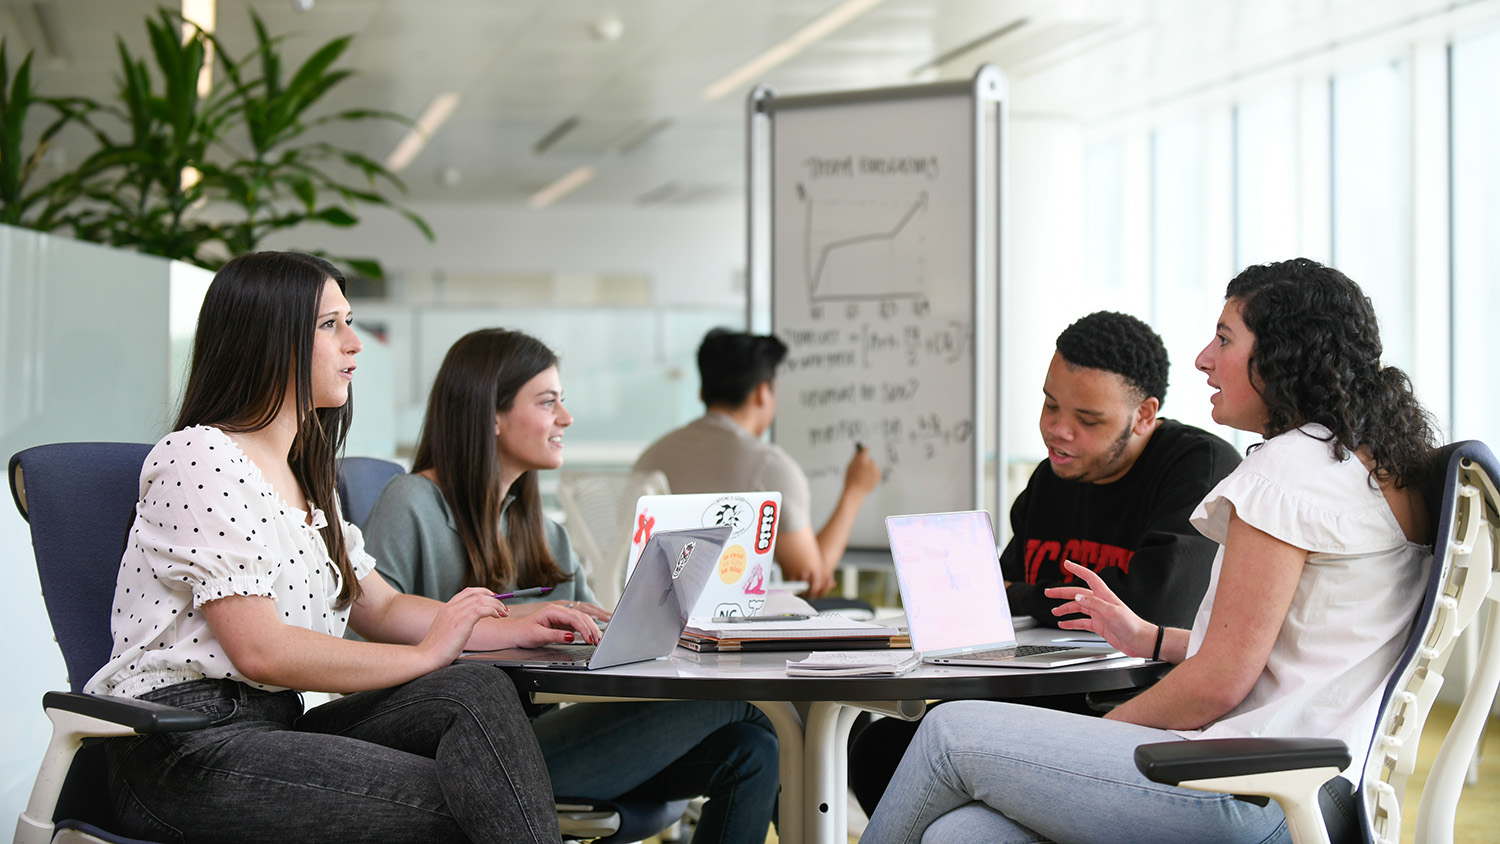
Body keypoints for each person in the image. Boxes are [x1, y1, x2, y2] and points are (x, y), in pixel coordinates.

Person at [861, 257, 1437, 844]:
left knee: (947, 732)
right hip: (1318, 794)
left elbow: (1220, 682)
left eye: (1224, 339)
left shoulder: (1289, 469)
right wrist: (1152, 639)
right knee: (963, 835)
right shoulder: (1364, 465)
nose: (1203, 359)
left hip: (1251, 792)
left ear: (1284, 354)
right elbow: (1298, 649)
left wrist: (1094, 740)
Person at [87, 252, 600, 842]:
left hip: (273, 728)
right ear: (267, 337)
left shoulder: (309, 477)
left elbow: (379, 607)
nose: (355, 343)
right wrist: (423, 656)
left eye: (348, 320)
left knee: (477, 688)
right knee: (477, 798)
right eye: (331, 325)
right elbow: (260, 650)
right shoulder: (200, 456)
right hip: (181, 746)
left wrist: (514, 625)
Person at [363, 328, 780, 844]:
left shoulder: (541, 532)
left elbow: (601, 643)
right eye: (547, 402)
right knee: (742, 703)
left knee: (754, 750)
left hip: (536, 740)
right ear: (489, 414)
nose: (567, 418)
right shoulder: (411, 504)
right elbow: (369, 648)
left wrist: (668, 625)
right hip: (464, 754)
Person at [847, 310, 1241, 815]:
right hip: (1033, 696)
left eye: (1088, 420)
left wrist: (1026, 595)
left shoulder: (1196, 465)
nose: (1058, 430)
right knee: (880, 749)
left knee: (912, 750)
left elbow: (1156, 605)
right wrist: (1033, 596)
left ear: (1144, 415)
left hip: (1123, 711)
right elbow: (995, 594)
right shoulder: (1053, 476)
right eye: (1050, 404)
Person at [633, 328, 881, 599]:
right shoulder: (771, 468)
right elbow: (812, 578)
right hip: (732, 627)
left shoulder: (652, 456)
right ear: (763, 393)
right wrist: (854, 492)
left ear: (702, 392)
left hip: (654, 616)